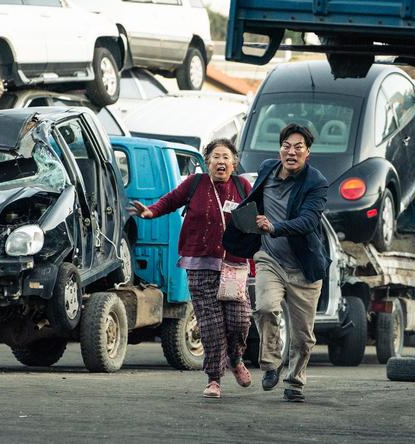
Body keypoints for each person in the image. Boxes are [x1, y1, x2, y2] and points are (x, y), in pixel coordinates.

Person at [130, 138, 252, 399]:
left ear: (234, 163)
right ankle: (214, 379)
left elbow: (257, 215)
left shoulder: (242, 187)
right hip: (199, 262)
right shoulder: (195, 184)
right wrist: (150, 212)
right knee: (210, 324)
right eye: (215, 157)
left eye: (226, 157)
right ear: (207, 161)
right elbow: (171, 201)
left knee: (239, 319)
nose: (220, 162)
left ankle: (236, 357)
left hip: (234, 264)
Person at [223, 123, 330, 402]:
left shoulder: (316, 182)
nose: (291, 152)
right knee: (266, 307)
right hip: (270, 258)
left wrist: (276, 226)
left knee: (303, 337)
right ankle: (271, 363)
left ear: (308, 152)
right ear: (279, 149)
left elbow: (309, 220)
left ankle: (294, 382)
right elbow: (249, 195)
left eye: (298, 147)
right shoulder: (268, 169)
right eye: (286, 146)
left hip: (304, 268)